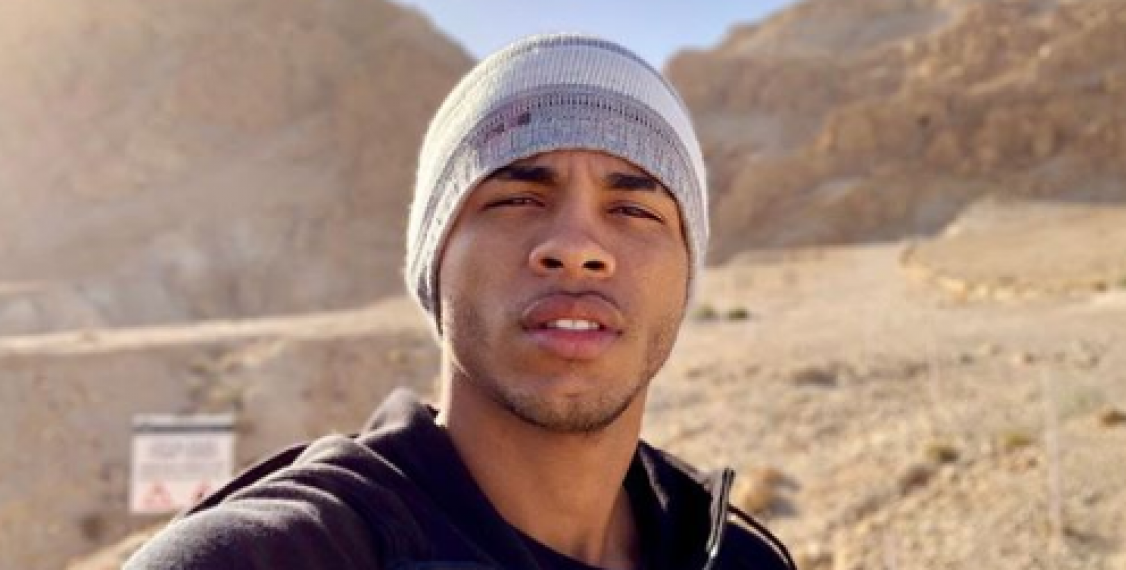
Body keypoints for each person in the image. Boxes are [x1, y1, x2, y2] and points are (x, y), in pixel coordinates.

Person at [126, 33, 796, 570]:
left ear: (686, 273)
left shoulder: (738, 558)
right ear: (436, 256)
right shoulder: (264, 556)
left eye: (633, 210)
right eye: (517, 198)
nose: (575, 247)